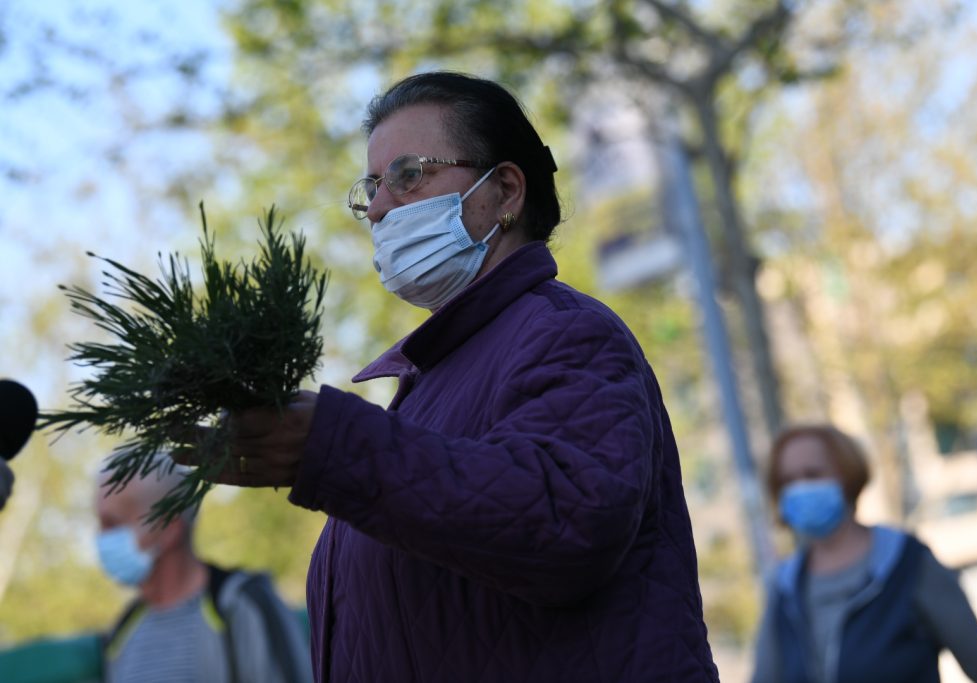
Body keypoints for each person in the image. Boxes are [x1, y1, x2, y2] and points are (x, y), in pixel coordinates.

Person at [182, 71, 720, 681]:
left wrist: (335, 448)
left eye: (408, 174)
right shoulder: (433, 382)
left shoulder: (567, 332)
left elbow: (566, 522)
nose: (378, 208)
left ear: (505, 191)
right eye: (372, 188)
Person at [750, 423, 977, 683]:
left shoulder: (908, 564)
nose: (800, 488)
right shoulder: (785, 588)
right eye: (787, 481)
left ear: (846, 476)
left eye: (813, 474)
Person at [95, 455, 312, 683]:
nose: (100, 537)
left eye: (112, 523)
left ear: (169, 526)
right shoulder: (123, 633)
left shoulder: (243, 605)